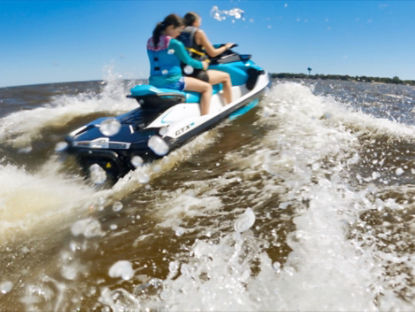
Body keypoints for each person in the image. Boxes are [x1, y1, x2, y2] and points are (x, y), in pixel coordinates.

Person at [147, 14, 212, 115]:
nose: (179, 34)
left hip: (154, 83)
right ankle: (205, 118)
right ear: (171, 27)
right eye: (178, 31)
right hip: (173, 82)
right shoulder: (175, 43)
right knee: (207, 88)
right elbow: (189, 61)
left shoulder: (150, 41)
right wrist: (202, 65)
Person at [178, 12, 233, 105]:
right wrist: (226, 47)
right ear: (195, 22)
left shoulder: (179, 33)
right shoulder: (198, 33)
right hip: (197, 74)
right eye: (200, 21)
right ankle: (230, 106)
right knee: (226, 77)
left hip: (183, 73)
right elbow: (213, 53)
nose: (200, 24)